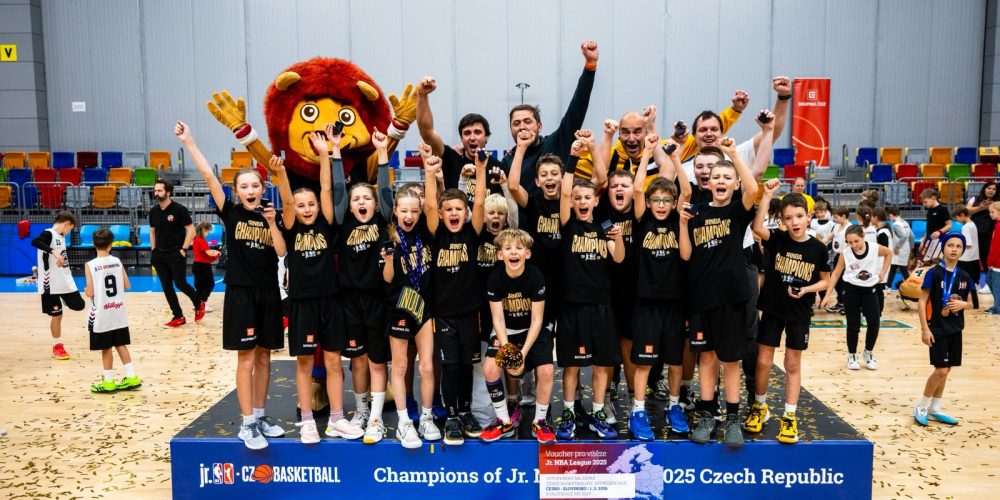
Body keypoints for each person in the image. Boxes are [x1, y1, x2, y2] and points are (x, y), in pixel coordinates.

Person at [177, 121, 287, 450]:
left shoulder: (273, 216)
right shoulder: (231, 213)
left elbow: (281, 252)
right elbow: (209, 177)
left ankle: (260, 415)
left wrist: (272, 223)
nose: (250, 190)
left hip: (269, 292)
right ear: (237, 191)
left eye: (255, 185)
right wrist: (189, 141)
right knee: (247, 359)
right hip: (241, 293)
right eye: (244, 186)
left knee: (265, 357)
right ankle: (247, 423)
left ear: (262, 189)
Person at [274, 123, 365, 444]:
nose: (307, 209)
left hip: (331, 299)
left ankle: (337, 419)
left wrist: (326, 154)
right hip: (302, 302)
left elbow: (326, 189)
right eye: (302, 205)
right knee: (303, 363)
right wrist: (281, 174)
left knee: (333, 360)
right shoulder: (290, 226)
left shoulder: (326, 223)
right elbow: (287, 202)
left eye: (310, 204)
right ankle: (308, 421)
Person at [678, 131, 761, 448]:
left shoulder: (737, 211)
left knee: (731, 360)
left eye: (727, 177)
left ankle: (733, 419)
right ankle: (707, 415)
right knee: (707, 359)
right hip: (703, 298)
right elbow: (686, 254)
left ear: (735, 183)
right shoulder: (697, 213)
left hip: (732, 298)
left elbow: (753, 189)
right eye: (717, 177)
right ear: (708, 183)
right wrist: (682, 224)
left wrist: (735, 156)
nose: (722, 181)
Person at [746, 181, 830, 444]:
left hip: (799, 313)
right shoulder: (778, 239)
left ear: (809, 216)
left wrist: (807, 290)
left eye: (799, 216)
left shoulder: (818, 249)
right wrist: (767, 195)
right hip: (773, 309)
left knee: (792, 364)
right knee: (763, 362)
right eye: (789, 218)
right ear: (782, 221)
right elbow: (756, 227)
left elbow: (825, 281)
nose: (794, 222)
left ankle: (790, 416)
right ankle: (760, 406)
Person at [553, 138, 625, 441]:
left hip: (601, 306)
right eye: (577, 198)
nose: (582, 201)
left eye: (587, 197)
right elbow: (565, 189)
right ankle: (569, 413)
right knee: (571, 365)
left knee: (601, 364)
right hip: (572, 306)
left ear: (596, 201)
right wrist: (572, 158)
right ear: (572, 202)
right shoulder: (568, 224)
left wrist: (617, 238)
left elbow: (618, 258)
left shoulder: (604, 227)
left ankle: (597, 413)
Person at [421, 141, 489, 446]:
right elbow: (428, 206)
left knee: (466, 365)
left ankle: (464, 412)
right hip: (444, 315)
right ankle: (450, 417)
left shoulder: (471, 233)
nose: (453, 213)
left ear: (465, 212)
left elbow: (480, 202)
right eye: (448, 209)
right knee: (449, 365)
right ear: (441, 213)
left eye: (458, 209)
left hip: (470, 314)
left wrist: (482, 170)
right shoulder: (437, 234)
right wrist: (429, 171)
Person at [628, 134, 689, 440]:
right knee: (644, 362)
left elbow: (686, 190)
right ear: (649, 203)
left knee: (675, 361)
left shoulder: (679, 220)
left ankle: (675, 406)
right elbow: (638, 188)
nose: (662, 205)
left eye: (667, 200)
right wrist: (647, 152)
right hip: (647, 302)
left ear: (673, 203)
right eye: (657, 200)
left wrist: (676, 158)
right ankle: (637, 411)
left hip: (675, 302)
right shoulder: (642, 220)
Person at [337, 128, 394, 444]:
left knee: (377, 360)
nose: (361, 202)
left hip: (377, 300)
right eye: (356, 199)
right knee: (356, 360)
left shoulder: (382, 220)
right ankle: (360, 411)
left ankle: (376, 417)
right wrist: (334, 153)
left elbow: (384, 190)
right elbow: (337, 190)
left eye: (366, 198)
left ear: (374, 204)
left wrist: (382, 152)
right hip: (349, 301)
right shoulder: (344, 222)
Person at [382, 156, 440, 449]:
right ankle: (404, 422)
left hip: (425, 308)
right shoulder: (390, 236)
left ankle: (427, 417)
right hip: (399, 309)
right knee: (401, 365)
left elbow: (431, 206)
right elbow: (387, 279)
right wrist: (388, 261)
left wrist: (429, 172)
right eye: (404, 211)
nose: (409, 216)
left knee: (427, 366)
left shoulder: (425, 233)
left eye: (414, 211)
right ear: (395, 211)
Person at [481, 228, 554, 443]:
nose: (514, 252)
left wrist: (521, 354)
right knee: (490, 368)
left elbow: (537, 320)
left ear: (527, 254)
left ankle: (540, 422)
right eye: (508, 248)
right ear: (500, 254)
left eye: (519, 248)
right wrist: (509, 353)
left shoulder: (536, 276)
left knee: (547, 370)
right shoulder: (494, 278)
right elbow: (498, 319)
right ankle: (504, 421)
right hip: (507, 330)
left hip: (532, 330)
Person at [504, 41, 599, 196]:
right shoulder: (508, 161)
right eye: (516, 123)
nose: (522, 127)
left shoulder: (555, 143)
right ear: (511, 129)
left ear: (539, 126)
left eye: (527, 121)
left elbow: (576, 109)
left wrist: (590, 66)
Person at [914, 233, 972, 426]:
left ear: (962, 250)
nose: (954, 249)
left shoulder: (964, 276)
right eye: (950, 245)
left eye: (958, 246)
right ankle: (922, 405)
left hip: (956, 329)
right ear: (943, 248)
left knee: (947, 370)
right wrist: (924, 329)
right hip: (937, 328)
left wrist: (964, 304)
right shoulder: (934, 273)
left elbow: (973, 303)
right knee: (940, 370)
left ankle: (935, 408)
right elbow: (922, 301)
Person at [414, 76, 503, 198]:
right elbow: (427, 132)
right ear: (461, 138)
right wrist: (422, 94)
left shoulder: (498, 168)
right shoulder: (451, 159)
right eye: (467, 133)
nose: (472, 137)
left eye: (477, 132)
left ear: (486, 137)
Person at [821, 225, 892, 371]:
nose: (853, 245)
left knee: (874, 323)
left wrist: (883, 272)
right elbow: (836, 273)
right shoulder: (845, 253)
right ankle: (852, 356)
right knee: (853, 325)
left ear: (863, 236)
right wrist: (827, 295)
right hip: (851, 290)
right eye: (849, 242)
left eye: (856, 241)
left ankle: (868, 352)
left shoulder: (874, 248)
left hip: (870, 290)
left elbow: (889, 253)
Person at [84, 229, 140, 393]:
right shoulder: (117, 261)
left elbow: (90, 292)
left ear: (93, 244)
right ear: (111, 245)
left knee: (106, 348)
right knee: (120, 344)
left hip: (101, 314)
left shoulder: (90, 265)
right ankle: (131, 377)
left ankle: (108, 382)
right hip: (118, 312)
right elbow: (127, 285)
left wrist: (86, 291)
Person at [149, 178, 205, 327]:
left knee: (180, 284)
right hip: (159, 254)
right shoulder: (153, 211)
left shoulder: (179, 209)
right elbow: (152, 232)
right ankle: (178, 316)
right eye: (155, 190)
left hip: (176, 252)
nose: (156, 193)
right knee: (166, 287)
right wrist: (153, 250)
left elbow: (191, 231)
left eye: (159, 190)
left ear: (168, 192)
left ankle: (199, 304)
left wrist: (184, 249)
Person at [32, 210, 85, 360]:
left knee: (79, 305)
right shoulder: (48, 233)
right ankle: (57, 346)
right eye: (70, 229)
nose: (69, 232)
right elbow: (35, 242)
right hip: (50, 284)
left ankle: (62, 300)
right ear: (67, 224)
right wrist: (53, 252)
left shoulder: (61, 237)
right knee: (57, 316)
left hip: (65, 280)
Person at [967, 181, 999, 289]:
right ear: (984, 189)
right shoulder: (975, 199)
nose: (991, 190)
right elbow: (967, 210)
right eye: (989, 188)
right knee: (974, 257)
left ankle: (989, 283)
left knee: (987, 257)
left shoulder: (998, 201)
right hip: (975, 231)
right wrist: (981, 207)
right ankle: (975, 282)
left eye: (994, 189)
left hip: (990, 233)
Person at [824, 206, 852, 314]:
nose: (834, 219)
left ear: (843, 216)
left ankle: (846, 305)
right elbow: (828, 237)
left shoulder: (850, 228)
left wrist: (844, 256)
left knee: (844, 283)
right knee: (837, 282)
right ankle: (840, 302)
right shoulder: (836, 226)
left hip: (846, 258)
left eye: (836, 217)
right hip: (837, 256)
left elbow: (849, 245)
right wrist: (818, 244)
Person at [952, 207, 981, 309]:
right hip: (973, 257)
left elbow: (967, 244)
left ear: (962, 215)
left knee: (962, 281)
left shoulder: (966, 227)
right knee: (971, 282)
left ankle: (960, 302)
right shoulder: (972, 224)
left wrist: (957, 246)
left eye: (957, 218)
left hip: (965, 259)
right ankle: (975, 303)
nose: (957, 221)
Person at [191, 221, 221, 311]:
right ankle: (202, 304)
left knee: (199, 286)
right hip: (203, 267)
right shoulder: (202, 241)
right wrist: (217, 253)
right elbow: (209, 253)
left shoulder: (196, 239)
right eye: (207, 232)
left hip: (196, 265)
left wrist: (213, 252)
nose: (208, 234)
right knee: (209, 284)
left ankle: (197, 305)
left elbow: (205, 251)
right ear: (203, 230)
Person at [920, 188, 952, 263]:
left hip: (940, 240)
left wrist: (939, 232)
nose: (924, 204)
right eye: (923, 203)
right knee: (926, 262)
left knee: (938, 262)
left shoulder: (942, 209)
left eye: (925, 202)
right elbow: (928, 227)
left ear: (933, 198)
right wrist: (923, 241)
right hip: (929, 239)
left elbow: (949, 225)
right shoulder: (929, 210)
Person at [985, 202, 1000, 314]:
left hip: (997, 263)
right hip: (995, 261)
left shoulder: (999, 226)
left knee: (996, 285)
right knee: (990, 281)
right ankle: (996, 305)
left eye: (992, 212)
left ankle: (998, 307)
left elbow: (996, 246)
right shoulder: (997, 224)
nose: (990, 214)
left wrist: (990, 261)